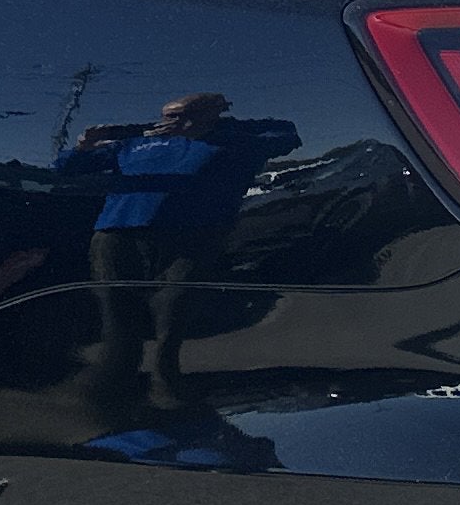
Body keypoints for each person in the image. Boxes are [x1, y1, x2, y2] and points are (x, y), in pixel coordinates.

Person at [59, 91, 299, 459]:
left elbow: (287, 137)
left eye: (180, 115)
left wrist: (213, 129)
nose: (170, 122)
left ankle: (167, 392)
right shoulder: (137, 144)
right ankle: (113, 395)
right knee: (117, 313)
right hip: (117, 234)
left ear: (209, 113)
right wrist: (84, 146)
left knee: (173, 308)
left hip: (192, 236)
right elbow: (65, 169)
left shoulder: (231, 141)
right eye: (167, 115)